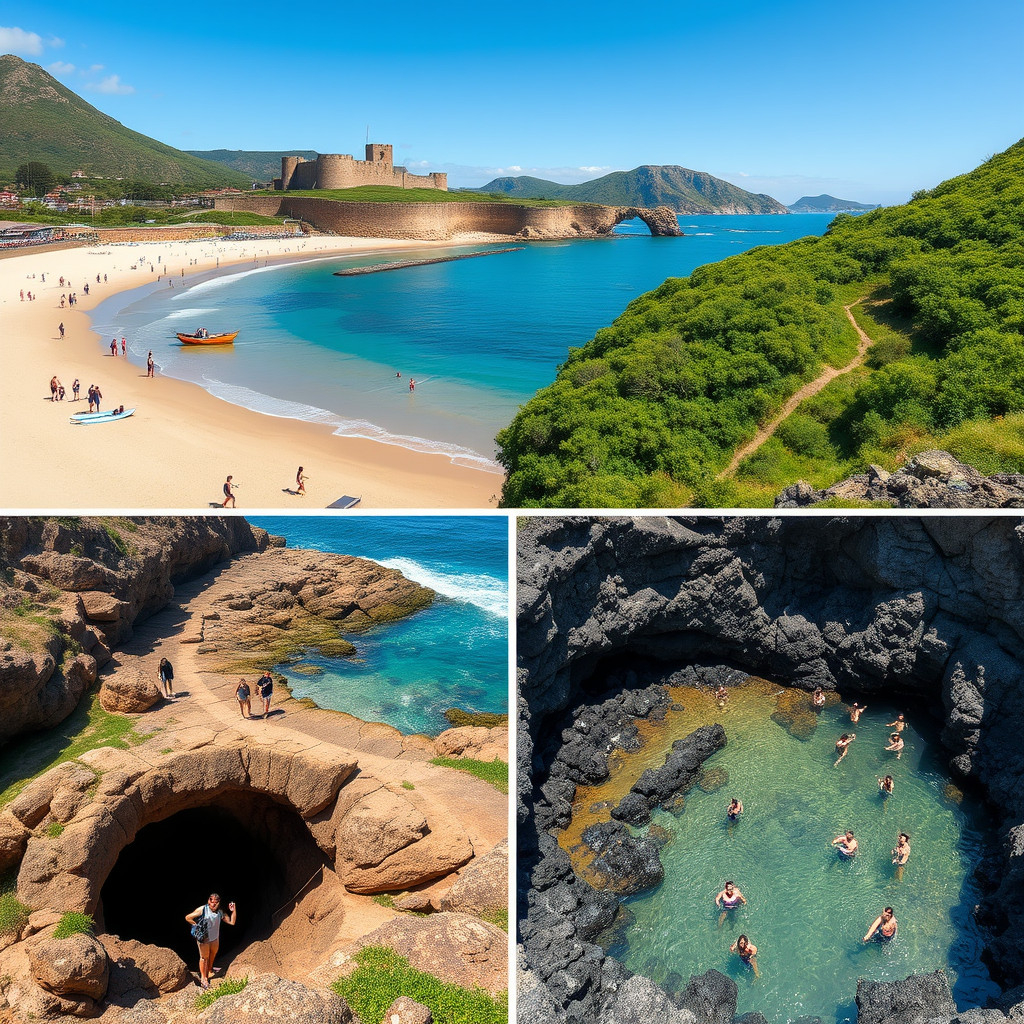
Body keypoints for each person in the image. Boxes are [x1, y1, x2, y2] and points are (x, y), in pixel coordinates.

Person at [185, 893, 236, 989]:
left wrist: (233, 911)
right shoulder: (203, 909)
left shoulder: (220, 912)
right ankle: (204, 979)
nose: (212, 904)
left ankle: (210, 969)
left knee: (212, 954)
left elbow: (232, 922)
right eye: (211, 901)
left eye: (215, 903)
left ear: (218, 903)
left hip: (214, 938)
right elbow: (188, 917)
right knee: (204, 958)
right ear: (208, 901)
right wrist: (197, 925)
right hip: (204, 939)